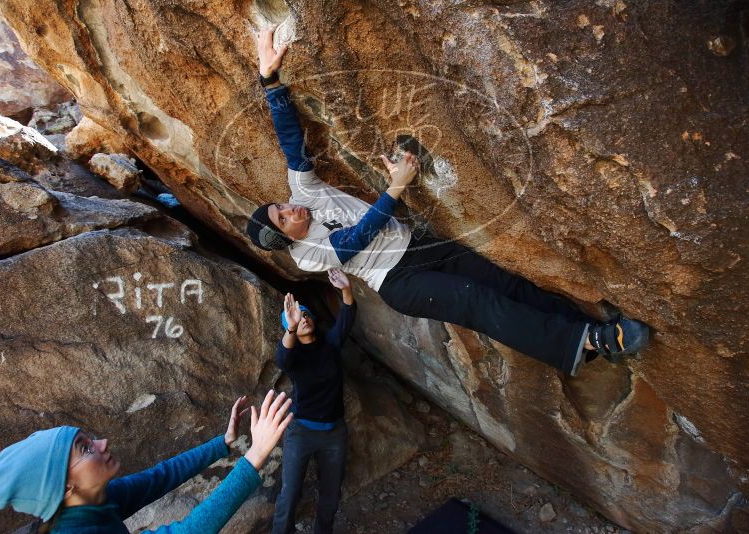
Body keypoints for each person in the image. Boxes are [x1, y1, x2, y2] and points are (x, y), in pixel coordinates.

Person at [246, 28, 649, 377]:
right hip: (400, 280)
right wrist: (397, 186)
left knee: (503, 284)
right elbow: (359, 237)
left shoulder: (304, 194)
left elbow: (290, 141)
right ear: (286, 239)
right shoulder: (308, 255)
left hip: (420, 246)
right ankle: (594, 340)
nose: (291, 208)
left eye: (281, 206)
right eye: (284, 219)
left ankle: (585, 331)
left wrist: (269, 79)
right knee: (479, 302)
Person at [0, 391, 293, 533]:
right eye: (86, 448)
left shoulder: (95, 502)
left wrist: (222, 444)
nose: (102, 444)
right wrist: (254, 457)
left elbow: (160, 476)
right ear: (64, 485)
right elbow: (189, 530)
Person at [271, 268, 355, 534]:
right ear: (290, 327)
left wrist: (346, 289)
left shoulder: (330, 343)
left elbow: (347, 317)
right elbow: (282, 359)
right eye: (296, 318)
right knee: (290, 494)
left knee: (330, 496)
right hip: (302, 432)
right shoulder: (293, 356)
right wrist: (291, 326)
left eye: (306, 314)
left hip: (334, 432)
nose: (303, 318)